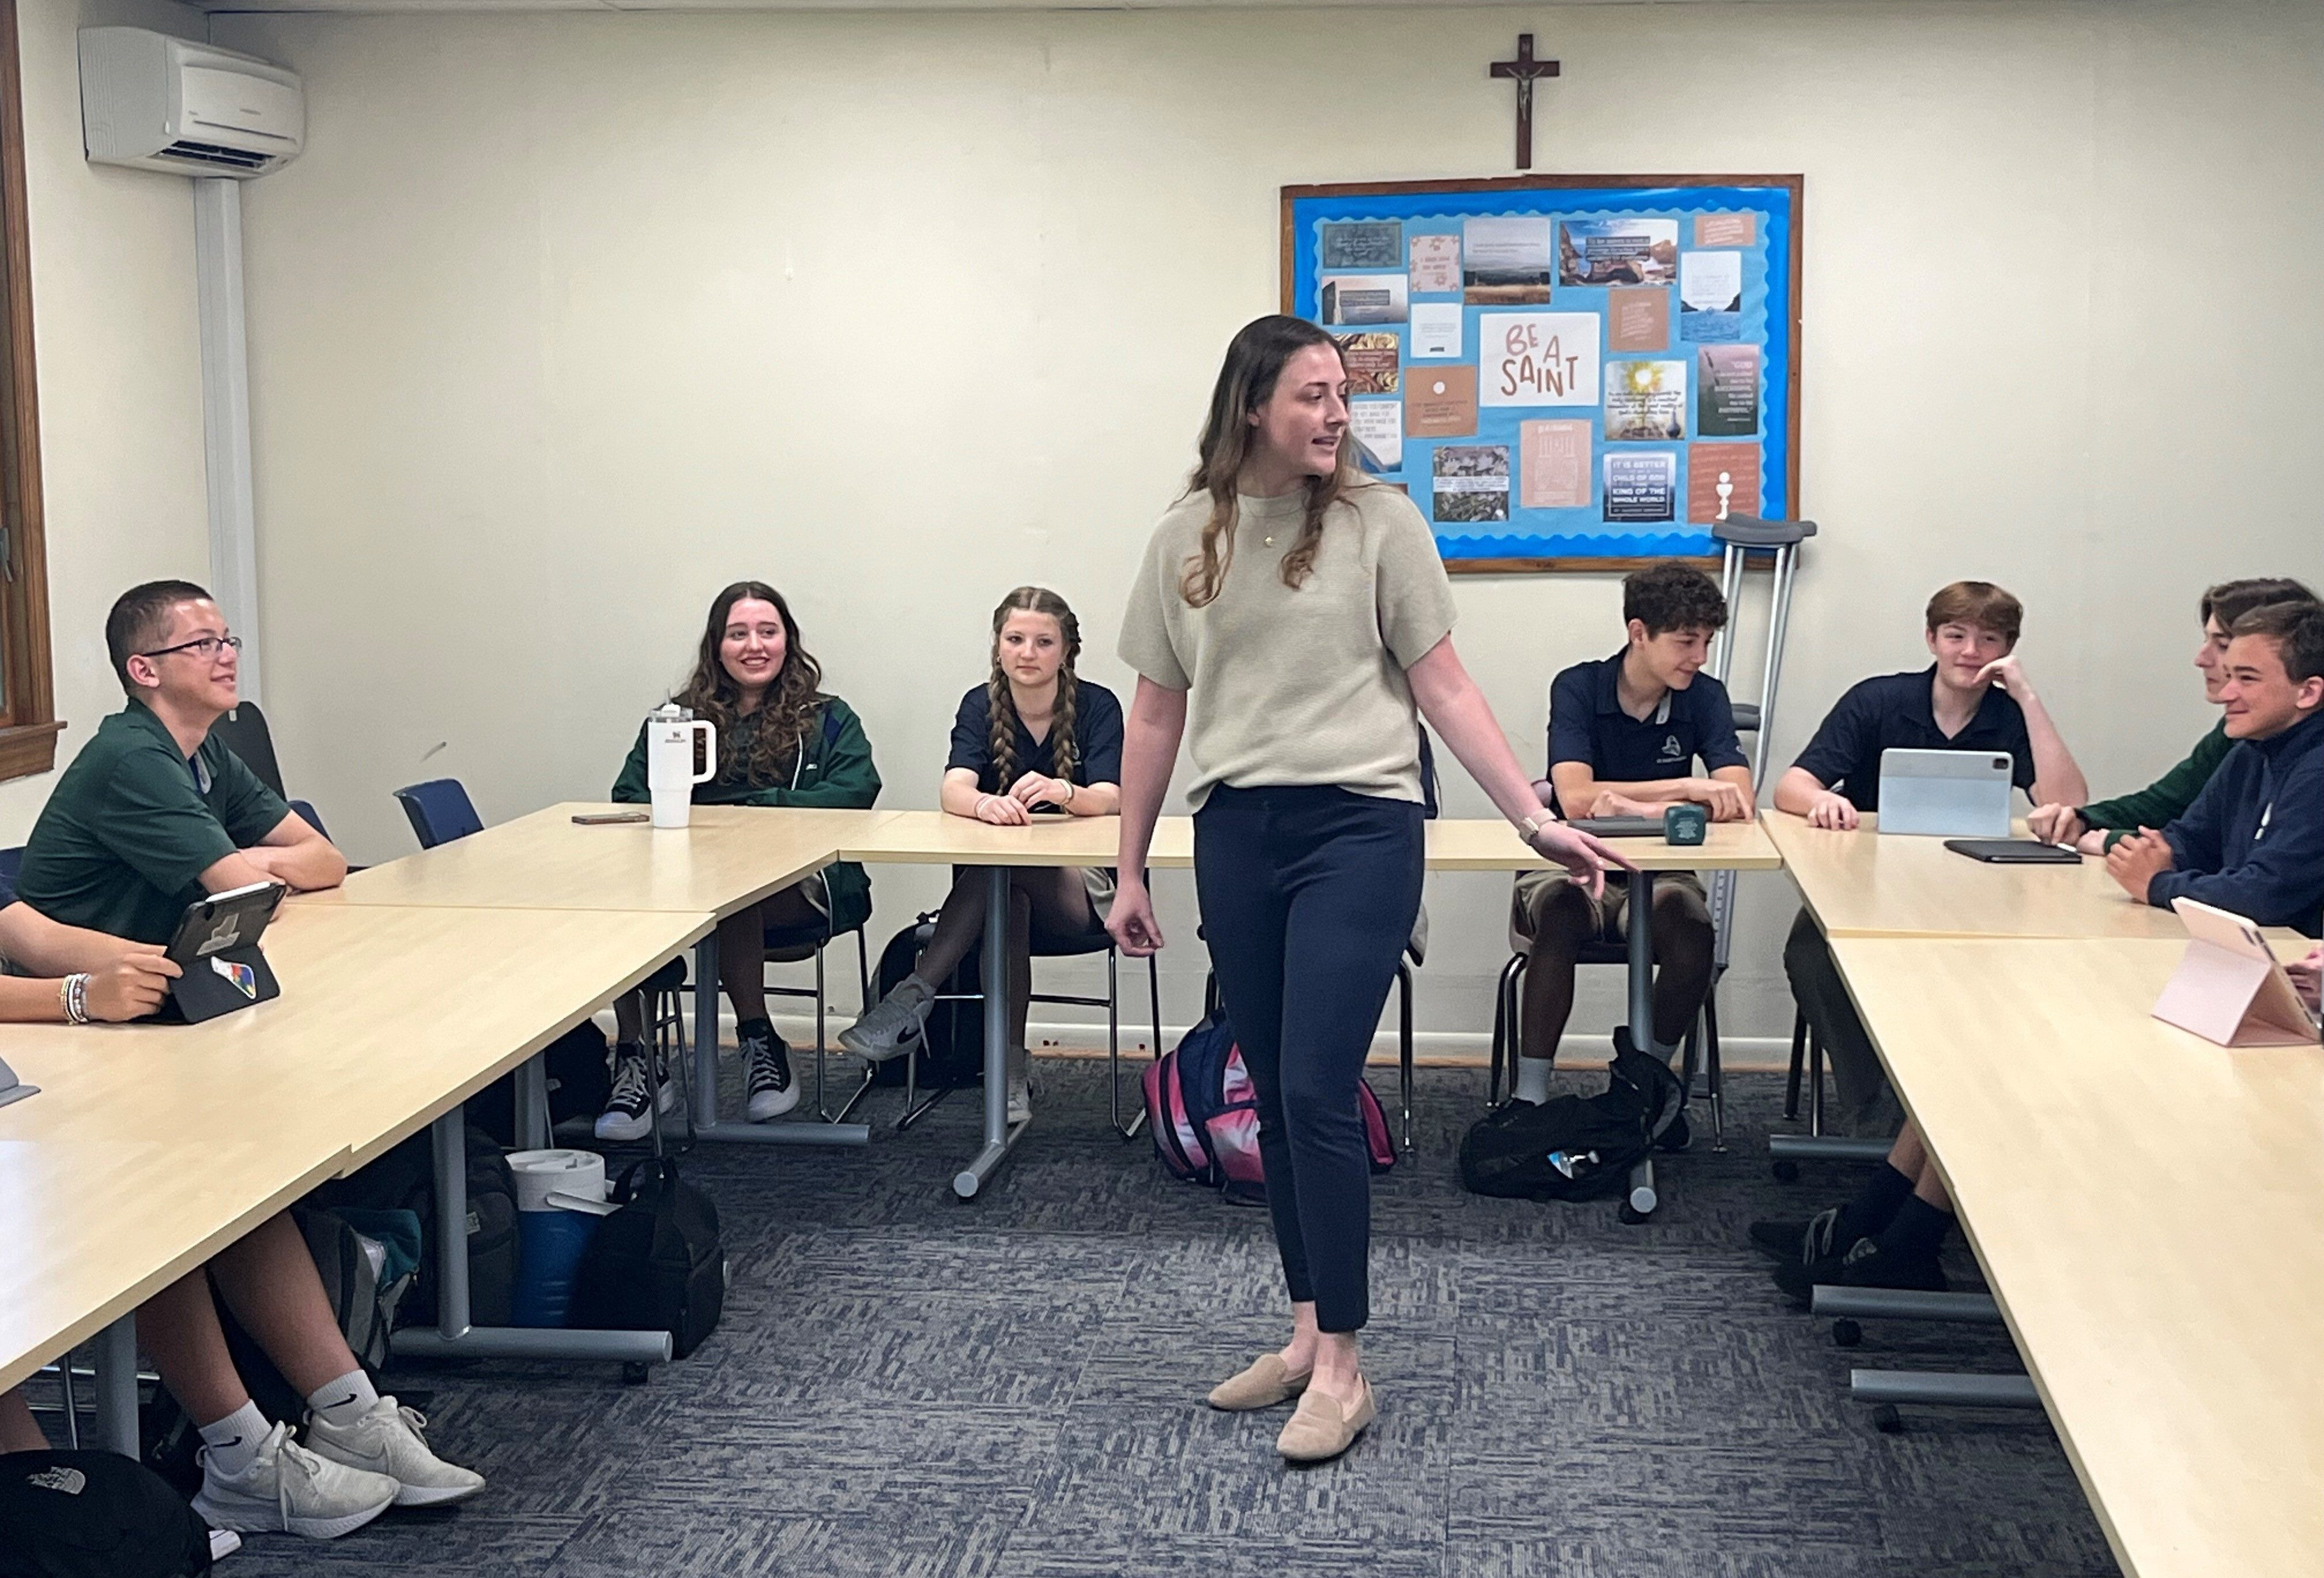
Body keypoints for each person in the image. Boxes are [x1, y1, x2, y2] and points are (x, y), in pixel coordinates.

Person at [1108, 315, 1628, 1464]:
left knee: (1315, 1089)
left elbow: (1444, 687)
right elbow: (1156, 713)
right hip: (1239, 831)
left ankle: (1344, 1369)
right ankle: (1303, 1332)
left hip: (1363, 826)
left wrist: (1535, 816)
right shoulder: (1183, 536)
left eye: (1345, 394)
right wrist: (1133, 864)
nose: (1338, 414)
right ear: (1252, 405)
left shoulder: (1381, 525)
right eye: (1313, 395)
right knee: (1277, 1092)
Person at [12, 580, 480, 1536]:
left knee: (241, 1186)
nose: (228, 654)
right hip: (79, 1042)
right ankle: (194, 1472)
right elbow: (234, 884)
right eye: (203, 643)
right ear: (145, 671)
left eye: (229, 637)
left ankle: (346, 1413)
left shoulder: (202, 753)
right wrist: (79, 985)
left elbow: (321, 860)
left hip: (144, 1019)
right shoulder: (129, 761)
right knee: (169, 1205)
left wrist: (91, 970)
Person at [1772, 581, 2088, 1135]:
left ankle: (1968, 1104)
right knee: (1811, 953)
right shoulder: (1878, 700)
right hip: (1866, 884)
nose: (1970, 651)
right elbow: (1791, 786)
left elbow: (2069, 805)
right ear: (1931, 638)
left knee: (2006, 966)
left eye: (1988, 639)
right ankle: (1879, 1115)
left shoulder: (2009, 716)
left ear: (2007, 650)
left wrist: (2027, 698)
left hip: (1980, 893)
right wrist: (1824, 799)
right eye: (1956, 635)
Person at [597, 581, 881, 1136]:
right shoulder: (675, 719)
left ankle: (759, 1037)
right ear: (717, 646)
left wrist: (752, 807)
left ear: (787, 642)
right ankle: (638, 1057)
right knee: (622, 896)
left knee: (736, 893)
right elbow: (630, 796)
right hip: (683, 887)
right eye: (738, 633)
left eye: (767, 632)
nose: (754, 645)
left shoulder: (828, 718)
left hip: (803, 888)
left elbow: (857, 790)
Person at [839, 587, 1122, 1123]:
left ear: (1067, 651)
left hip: (1084, 895)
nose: (1028, 652)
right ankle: (1010, 1069)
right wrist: (985, 804)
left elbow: (1112, 798)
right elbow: (953, 790)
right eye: (1015, 639)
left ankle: (913, 996)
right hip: (1002, 897)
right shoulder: (980, 704)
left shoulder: (1097, 705)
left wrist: (1065, 793)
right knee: (1006, 892)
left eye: (1043, 641)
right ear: (998, 647)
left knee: (1003, 868)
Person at [1508, 562, 1752, 1118]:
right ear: (1638, 632)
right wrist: (1688, 789)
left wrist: (1632, 806)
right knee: (1563, 914)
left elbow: (1738, 797)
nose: (1701, 657)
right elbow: (1574, 798)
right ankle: (1529, 1098)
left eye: (1708, 642)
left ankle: (1645, 1088)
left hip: (1660, 870)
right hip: (1576, 862)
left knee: (1691, 936)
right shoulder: (1578, 685)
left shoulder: (1705, 697)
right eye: (1687, 641)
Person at [2030, 577, 2315, 852]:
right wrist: (2084, 821)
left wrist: (2116, 842)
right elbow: (2167, 808)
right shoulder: (2242, 738)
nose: (2202, 659)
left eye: (2223, 645)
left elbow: (2245, 864)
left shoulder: (2301, 757)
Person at [2103, 597, 2324, 935]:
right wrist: (2157, 857)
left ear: (2308, 692)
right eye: (2229, 676)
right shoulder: (2251, 750)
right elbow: (2191, 842)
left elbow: (2266, 895)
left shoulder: (2317, 770)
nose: (2226, 693)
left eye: (2247, 679)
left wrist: (2159, 885)